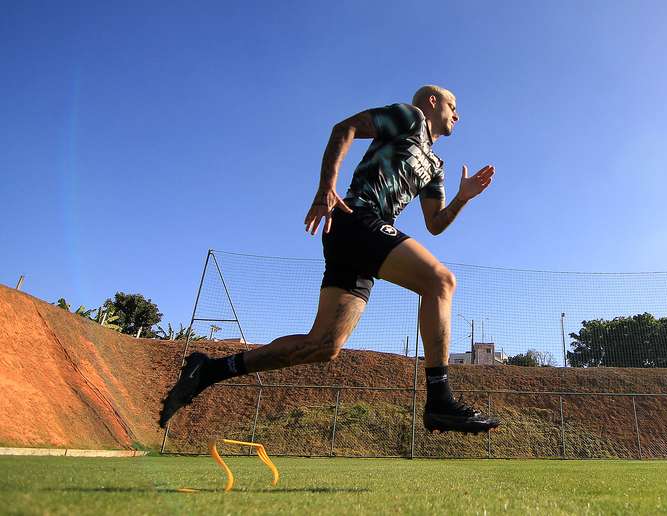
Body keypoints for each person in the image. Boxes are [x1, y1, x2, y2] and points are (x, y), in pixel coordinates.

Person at [160, 85, 499, 434]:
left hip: (363, 240)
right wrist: (326, 187)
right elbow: (344, 128)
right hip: (357, 217)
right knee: (440, 281)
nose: (457, 114)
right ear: (432, 102)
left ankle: (210, 370)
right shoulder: (408, 117)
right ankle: (440, 398)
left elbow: (435, 223)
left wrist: (463, 197)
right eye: (452, 105)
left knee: (323, 345)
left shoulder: (435, 165)